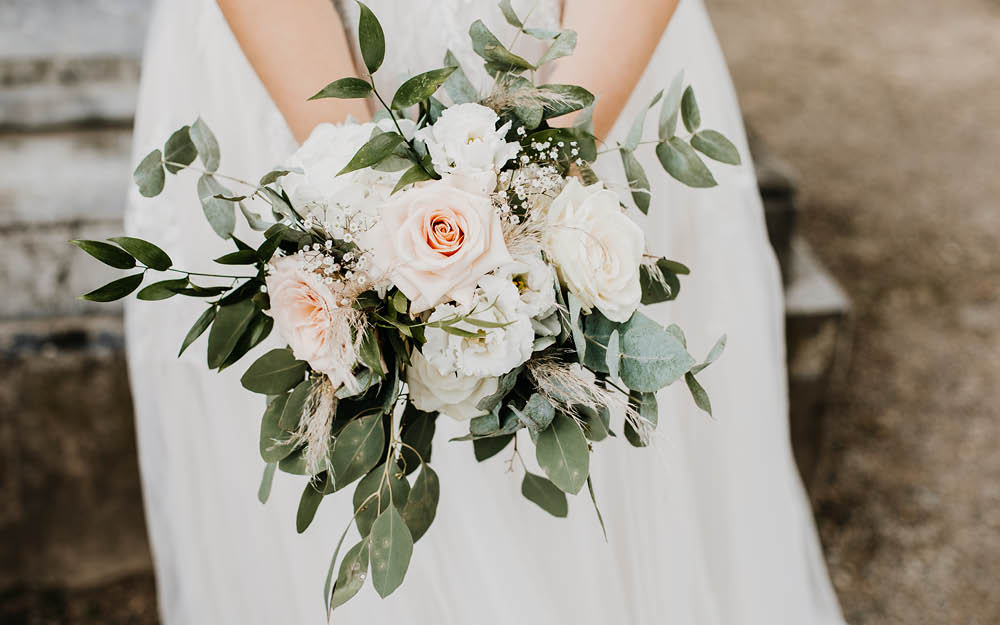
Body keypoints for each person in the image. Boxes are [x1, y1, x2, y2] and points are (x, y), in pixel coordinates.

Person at [124, 0, 847, 622]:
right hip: (292, 69)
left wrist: (538, 192)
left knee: (601, 486)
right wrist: (358, 203)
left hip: (586, 58)